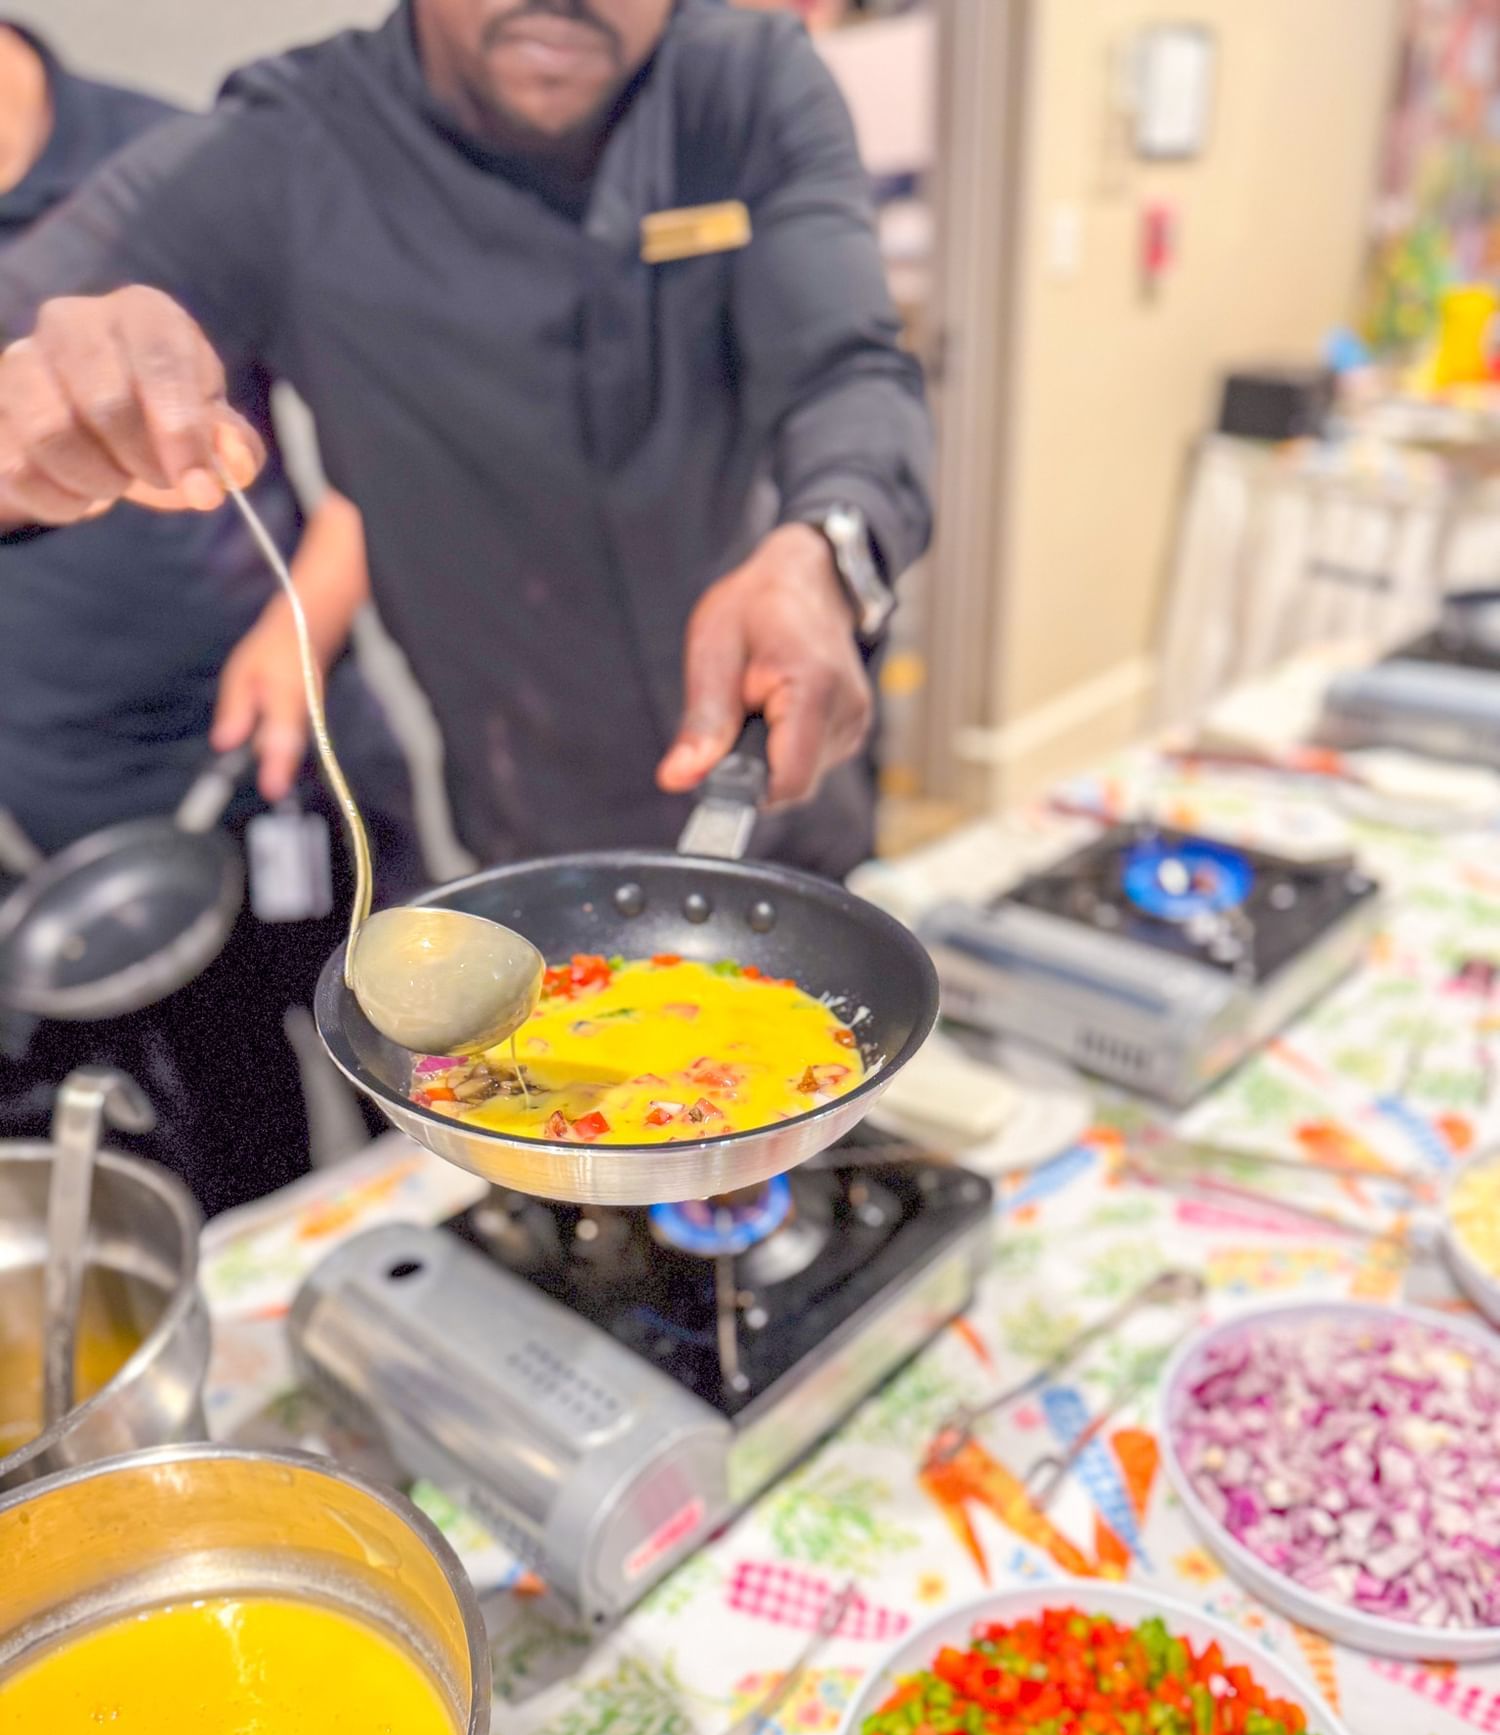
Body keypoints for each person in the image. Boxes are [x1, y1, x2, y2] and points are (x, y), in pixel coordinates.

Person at [0, 0, 932, 883]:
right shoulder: (285, 148)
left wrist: (826, 552)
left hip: (783, 766)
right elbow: (30, 354)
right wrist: (43, 422)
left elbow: (846, 371)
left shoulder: (746, 85)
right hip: (534, 826)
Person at [0, 23, 422, 1215]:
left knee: (428, 1059)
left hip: (306, 736)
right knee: (230, 1137)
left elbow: (386, 451)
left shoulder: (183, 166)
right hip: (87, 799)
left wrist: (308, 625)